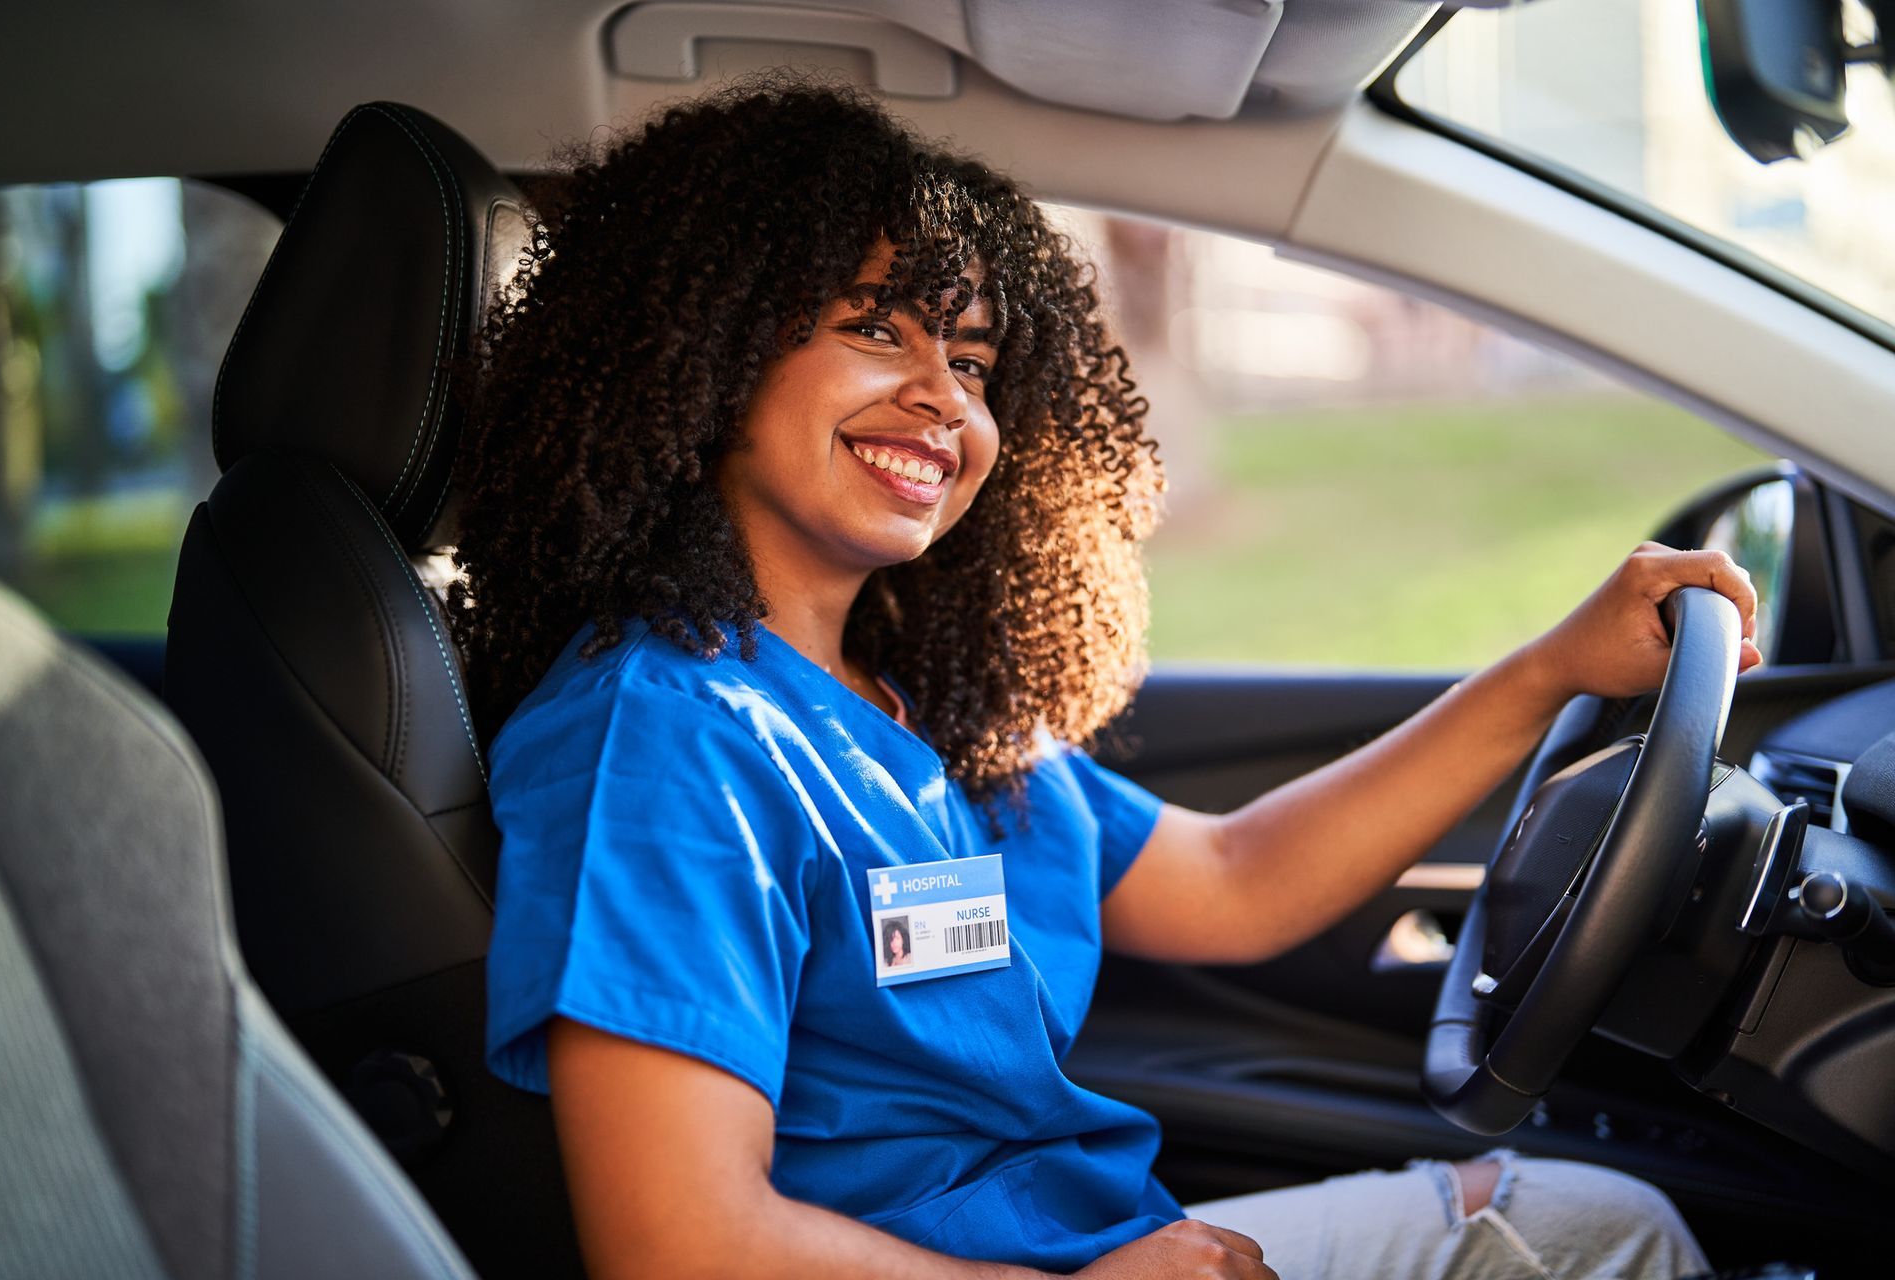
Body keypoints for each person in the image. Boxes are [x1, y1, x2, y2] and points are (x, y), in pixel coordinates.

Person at [450, 76, 1757, 1280]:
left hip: (1095, 1244)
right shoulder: (662, 735)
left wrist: (1550, 671)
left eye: (969, 361)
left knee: (1600, 1222)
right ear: (707, 353)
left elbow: (1233, 884)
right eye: (873, 331)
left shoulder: (918, 706)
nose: (942, 402)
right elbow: (678, 1242)